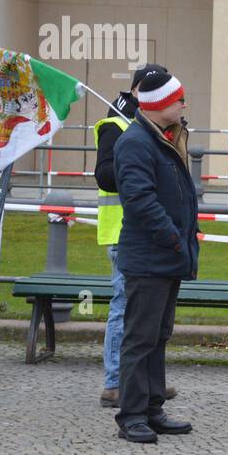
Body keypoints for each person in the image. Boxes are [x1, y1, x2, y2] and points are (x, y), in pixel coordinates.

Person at [112, 69, 199, 443]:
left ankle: (152, 408)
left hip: (167, 256)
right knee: (140, 337)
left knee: (159, 335)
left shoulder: (164, 136)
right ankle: (131, 414)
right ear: (161, 105)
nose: (184, 104)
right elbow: (139, 199)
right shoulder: (136, 142)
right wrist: (173, 238)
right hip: (150, 256)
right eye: (179, 99)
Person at [93, 63, 177, 408]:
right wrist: (138, 166)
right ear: (138, 90)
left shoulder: (161, 128)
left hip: (149, 232)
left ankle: (143, 383)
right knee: (123, 306)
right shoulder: (117, 124)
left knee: (147, 314)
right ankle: (115, 382)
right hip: (122, 231)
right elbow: (104, 176)